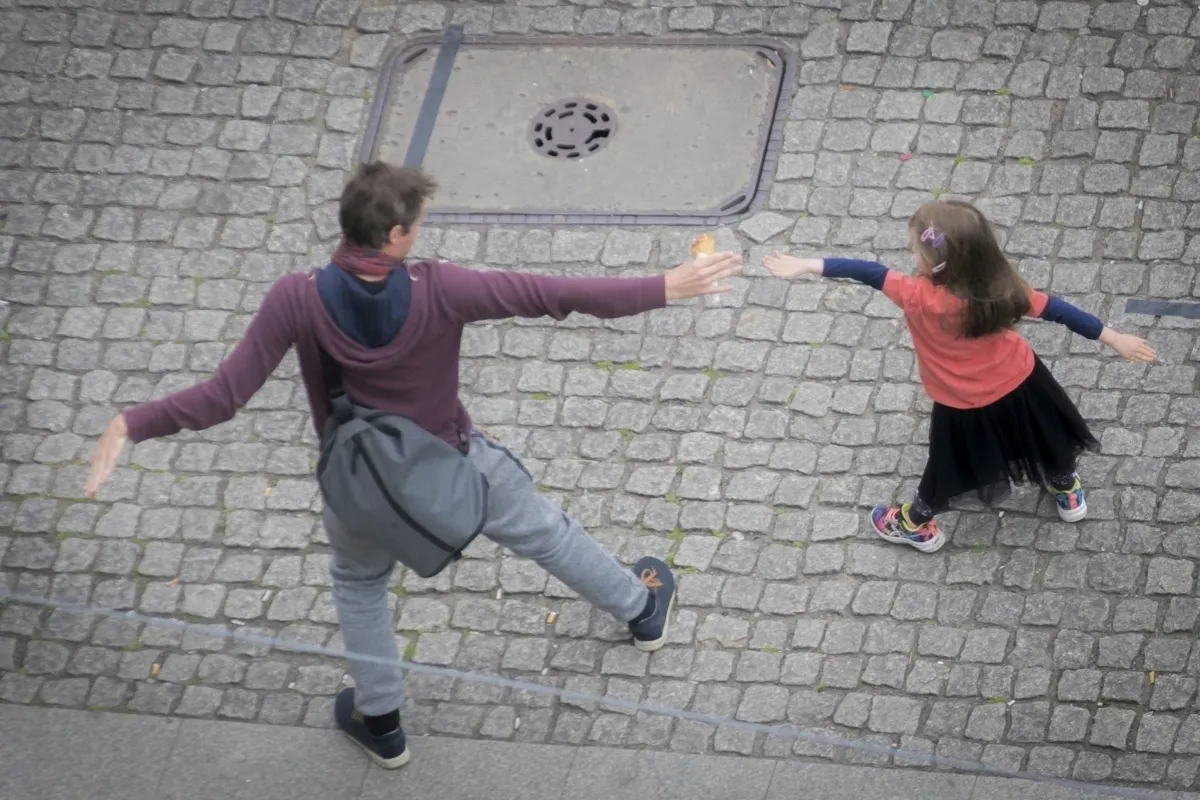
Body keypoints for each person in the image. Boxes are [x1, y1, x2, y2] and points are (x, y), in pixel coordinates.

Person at [83, 162, 742, 768]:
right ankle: (639, 609)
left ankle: (384, 725)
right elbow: (556, 293)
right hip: (456, 466)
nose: (424, 234)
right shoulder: (442, 288)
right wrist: (669, 285)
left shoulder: (296, 297)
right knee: (543, 529)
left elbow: (222, 396)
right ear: (395, 235)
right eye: (418, 226)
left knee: (359, 587)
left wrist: (131, 422)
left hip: (361, 486)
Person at [764, 198, 1156, 554]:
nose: (910, 254)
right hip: (1023, 380)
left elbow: (868, 272)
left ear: (936, 264)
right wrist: (1113, 337)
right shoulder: (1003, 290)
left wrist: (806, 265)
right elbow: (1059, 310)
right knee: (1045, 436)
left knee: (948, 465)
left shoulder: (916, 294)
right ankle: (1066, 487)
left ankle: (916, 523)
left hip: (961, 402)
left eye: (915, 249)